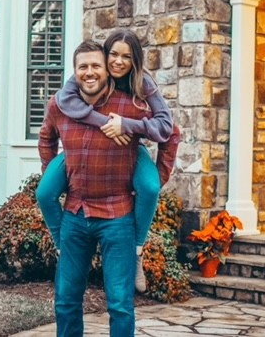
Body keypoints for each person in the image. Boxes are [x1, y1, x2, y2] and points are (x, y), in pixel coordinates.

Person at [38, 40, 179, 336]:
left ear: (106, 69)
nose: (89, 72)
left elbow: (171, 133)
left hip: (118, 218)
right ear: (75, 71)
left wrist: (159, 175)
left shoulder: (132, 105)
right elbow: (46, 138)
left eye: (95, 66)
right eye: (82, 67)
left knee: (120, 304)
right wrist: (56, 170)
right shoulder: (60, 104)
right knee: (65, 301)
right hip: (75, 216)